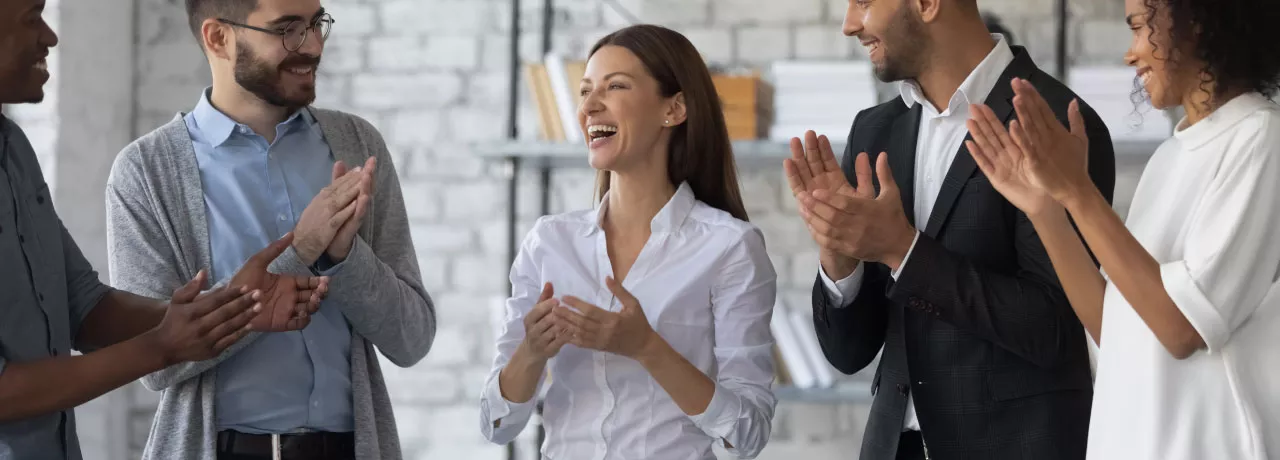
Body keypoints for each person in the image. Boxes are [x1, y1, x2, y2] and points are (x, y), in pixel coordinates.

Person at [105, 0, 437, 458]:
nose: (314, 45)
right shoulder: (147, 172)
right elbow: (153, 364)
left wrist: (344, 259)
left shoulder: (357, 145)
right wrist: (302, 250)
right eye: (287, 29)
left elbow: (412, 338)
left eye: (317, 24)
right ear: (218, 37)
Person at [786, 0, 1117, 458]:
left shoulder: (1057, 124)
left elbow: (1056, 330)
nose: (849, 25)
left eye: (863, 2)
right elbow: (849, 353)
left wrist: (904, 250)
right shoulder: (874, 131)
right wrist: (840, 259)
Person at [0, 1, 328, 458]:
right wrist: (160, 348)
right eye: (31, 18)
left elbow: (85, 308)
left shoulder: (13, 149)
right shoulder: (146, 166)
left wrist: (234, 308)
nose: (49, 37)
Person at [964, 0, 1280, 458]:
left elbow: (1182, 328)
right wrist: (1045, 211)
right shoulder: (1169, 159)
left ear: (1197, 21)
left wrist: (1078, 190)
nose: (1131, 54)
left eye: (1139, 28)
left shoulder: (1260, 138)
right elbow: (1117, 328)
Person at [479, 24, 779, 460]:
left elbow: (747, 435)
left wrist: (646, 347)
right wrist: (532, 351)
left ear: (673, 109)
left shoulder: (730, 247)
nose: (590, 106)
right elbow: (497, 424)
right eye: (584, 91)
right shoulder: (550, 241)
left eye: (615, 86)